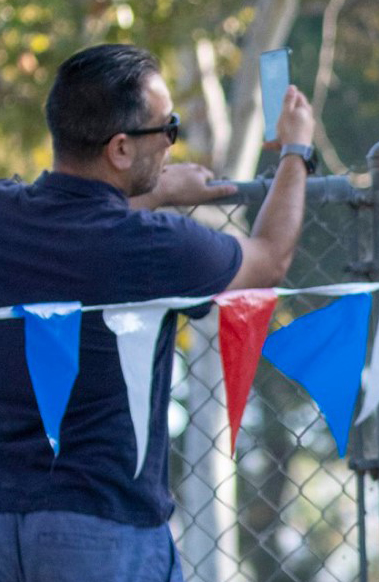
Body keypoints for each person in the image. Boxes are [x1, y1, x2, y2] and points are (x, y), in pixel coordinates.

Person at [0, 44, 317, 582]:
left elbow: (69, 219)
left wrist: (152, 191)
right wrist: (296, 152)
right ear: (120, 149)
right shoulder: (154, 247)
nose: (173, 141)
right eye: (166, 129)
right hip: (103, 528)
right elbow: (270, 259)